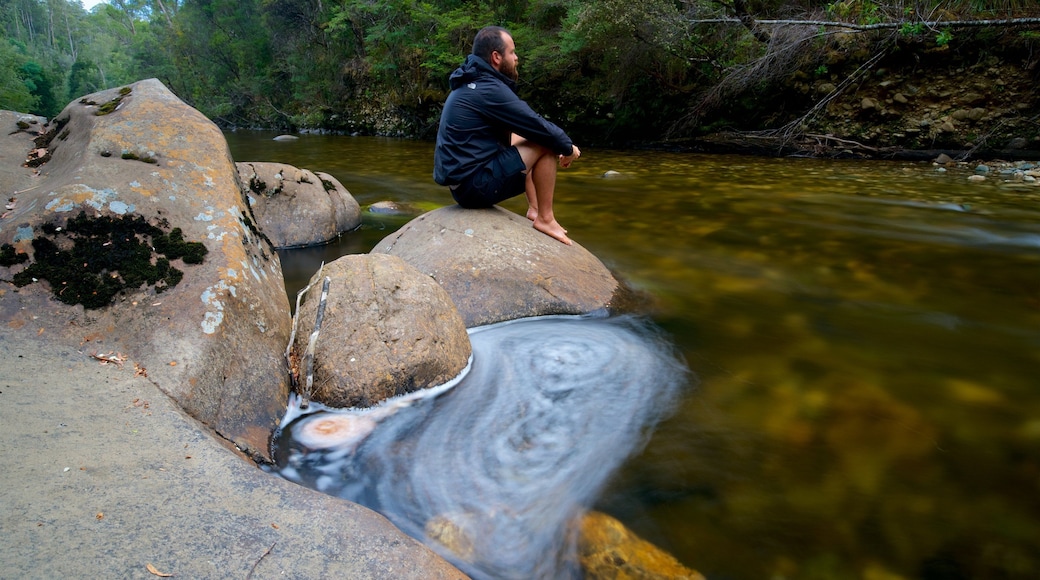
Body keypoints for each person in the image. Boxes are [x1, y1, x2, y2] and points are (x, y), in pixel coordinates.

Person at [433, 26, 581, 245]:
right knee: (547, 143)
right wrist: (568, 148)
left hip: (464, 186)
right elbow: (537, 125)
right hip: (475, 188)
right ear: (496, 57)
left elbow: (523, 129)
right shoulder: (487, 88)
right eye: (512, 52)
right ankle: (545, 219)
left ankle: (535, 209)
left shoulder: (471, 83)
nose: (516, 58)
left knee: (523, 137)